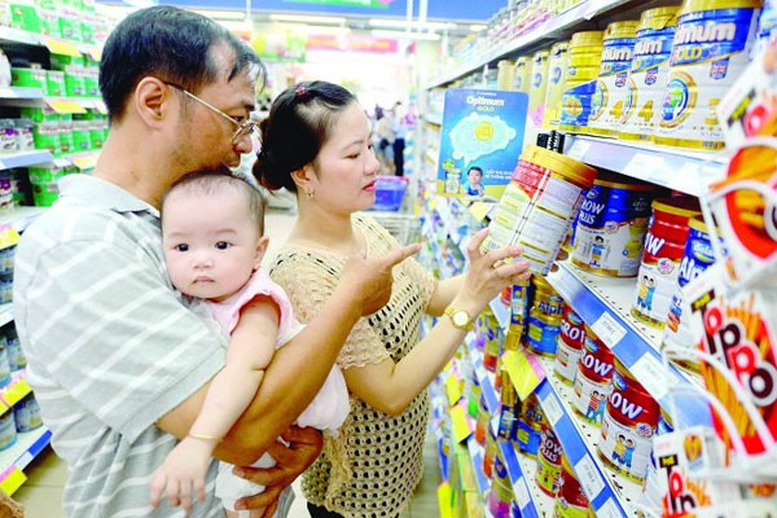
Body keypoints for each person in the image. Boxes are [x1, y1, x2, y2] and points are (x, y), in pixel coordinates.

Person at [12, 9, 416, 517]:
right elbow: (240, 433)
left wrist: (294, 433)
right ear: (155, 102)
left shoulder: (187, 221)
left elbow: (252, 376)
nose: (245, 143)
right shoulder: (81, 247)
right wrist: (350, 301)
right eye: (235, 118)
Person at [253, 80, 532, 517]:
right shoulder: (301, 274)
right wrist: (471, 304)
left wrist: (491, 267)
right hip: (356, 494)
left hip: (397, 471)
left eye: (369, 145)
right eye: (353, 155)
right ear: (303, 174)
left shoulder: (364, 226)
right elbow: (389, 391)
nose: (373, 164)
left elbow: (432, 296)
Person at [150, 172, 350, 517]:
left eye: (222, 245)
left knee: (243, 492)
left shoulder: (257, 304)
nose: (201, 260)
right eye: (182, 247)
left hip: (277, 413)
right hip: (239, 407)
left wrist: (199, 441)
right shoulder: (199, 294)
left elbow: (245, 369)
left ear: (258, 252)